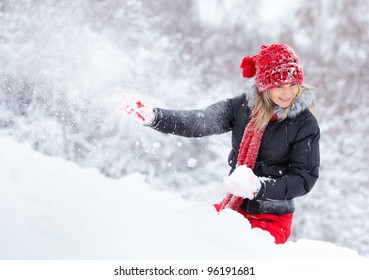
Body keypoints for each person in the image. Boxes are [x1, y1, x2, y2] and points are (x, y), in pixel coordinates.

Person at [121, 43, 320, 244]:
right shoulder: (242, 107)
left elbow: (304, 178)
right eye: (279, 86)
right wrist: (155, 117)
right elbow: (201, 121)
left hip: (272, 219)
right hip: (234, 208)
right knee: (187, 237)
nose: (287, 93)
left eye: (292, 85)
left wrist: (259, 187)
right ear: (264, 86)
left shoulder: (304, 124)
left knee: (241, 253)